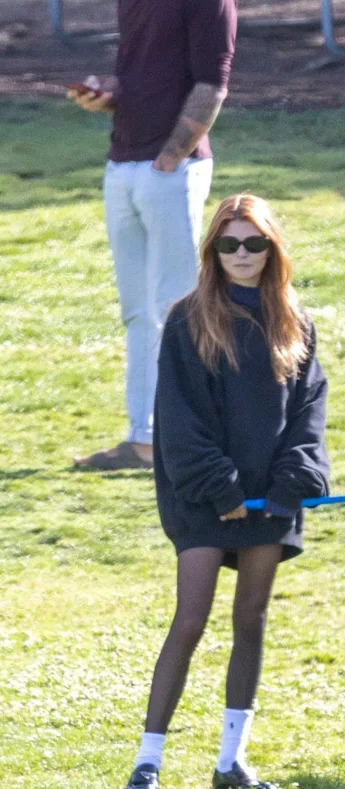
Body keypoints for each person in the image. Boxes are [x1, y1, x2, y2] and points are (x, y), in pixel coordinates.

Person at [122, 193, 330, 789]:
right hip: (203, 498)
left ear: (271, 249)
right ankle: (147, 763)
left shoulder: (295, 321)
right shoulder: (187, 320)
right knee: (190, 620)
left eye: (254, 243)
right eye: (229, 243)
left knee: (250, 618)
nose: (242, 254)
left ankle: (231, 761)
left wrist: (291, 481)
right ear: (213, 250)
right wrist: (221, 488)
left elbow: (308, 412)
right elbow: (179, 419)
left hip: (271, 499)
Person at [68, 0, 238, 471]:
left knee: (178, 307)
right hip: (122, 164)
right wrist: (108, 93)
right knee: (139, 312)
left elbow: (212, 84)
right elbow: (145, 76)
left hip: (172, 169)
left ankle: (198, 440)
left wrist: (169, 160)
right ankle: (143, 441)